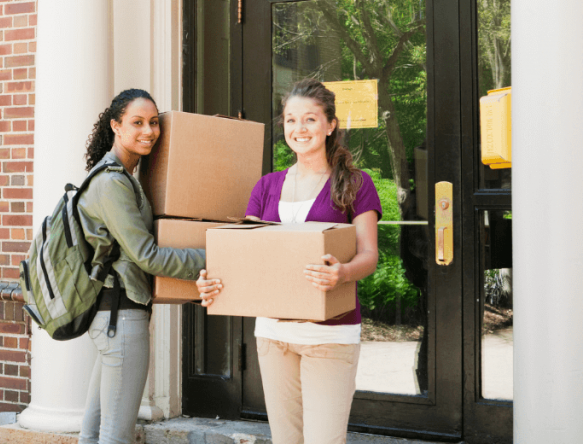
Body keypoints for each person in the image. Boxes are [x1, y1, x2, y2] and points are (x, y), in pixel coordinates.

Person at [196, 79, 381, 444]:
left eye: (310, 119)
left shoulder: (356, 184)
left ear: (330, 125)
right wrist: (211, 281)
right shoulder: (266, 187)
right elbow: (244, 255)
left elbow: (369, 256)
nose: (299, 129)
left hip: (330, 334)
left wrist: (341, 273)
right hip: (274, 335)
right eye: (291, 120)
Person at [77, 89, 206, 444]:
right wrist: (216, 257)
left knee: (94, 432)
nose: (149, 131)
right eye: (137, 123)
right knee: (114, 436)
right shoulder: (112, 183)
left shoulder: (121, 177)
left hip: (111, 318)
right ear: (116, 125)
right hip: (121, 320)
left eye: (153, 123)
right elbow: (147, 255)